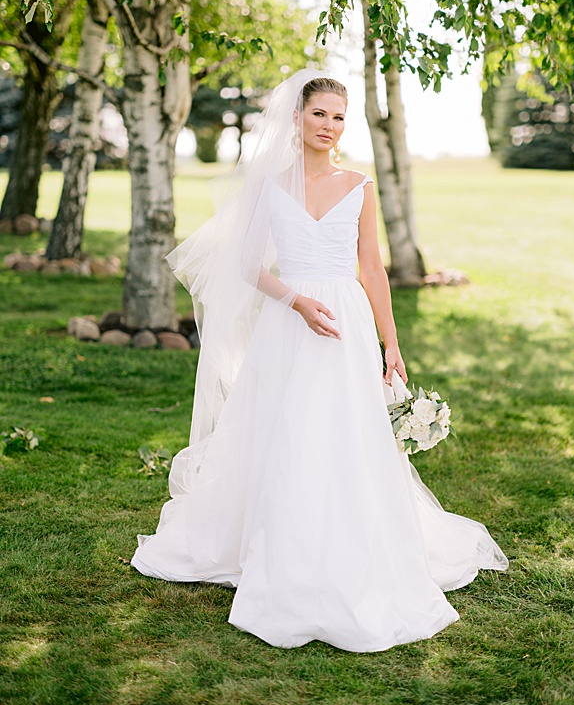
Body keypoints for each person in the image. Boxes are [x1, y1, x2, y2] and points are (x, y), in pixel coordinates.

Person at [132, 70, 507, 651]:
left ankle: (351, 540)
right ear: (297, 118)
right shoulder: (269, 187)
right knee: (285, 426)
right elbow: (246, 264)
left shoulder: (359, 185)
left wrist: (392, 342)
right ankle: (278, 542)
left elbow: (373, 269)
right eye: (320, 114)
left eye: (339, 116)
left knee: (344, 430)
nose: (330, 126)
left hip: (347, 321)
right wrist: (296, 301)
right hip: (293, 317)